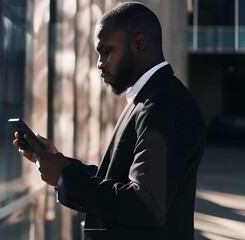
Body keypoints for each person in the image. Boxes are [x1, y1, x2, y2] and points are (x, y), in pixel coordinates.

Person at [13, 2, 206, 240]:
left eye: (106, 51)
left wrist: (66, 178)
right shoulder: (149, 99)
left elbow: (145, 205)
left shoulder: (166, 106)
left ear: (139, 43)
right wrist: (63, 167)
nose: (100, 63)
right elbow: (121, 182)